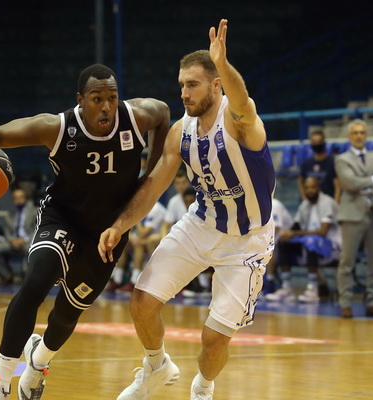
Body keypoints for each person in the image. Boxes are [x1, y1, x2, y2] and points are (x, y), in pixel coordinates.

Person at [0, 63, 170, 399]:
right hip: (64, 218)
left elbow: (164, 113)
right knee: (37, 280)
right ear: (80, 100)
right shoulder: (55, 127)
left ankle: (38, 365)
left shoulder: (138, 116)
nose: (107, 107)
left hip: (108, 231)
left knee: (68, 314)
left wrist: (149, 174)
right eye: (97, 99)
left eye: (112, 98)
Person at [98, 20, 275, 400]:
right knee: (142, 302)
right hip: (200, 224)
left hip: (246, 240)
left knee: (214, 339)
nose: (183, 92)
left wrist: (223, 64)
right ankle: (156, 365)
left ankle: (203, 387)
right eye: (181, 84)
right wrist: (120, 224)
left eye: (192, 84)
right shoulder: (181, 132)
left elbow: (242, 99)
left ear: (216, 85)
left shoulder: (240, 121)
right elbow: (153, 186)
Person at [335, 118, 373, 318]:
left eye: (362, 132)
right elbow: (349, 182)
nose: (359, 136)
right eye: (355, 133)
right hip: (352, 215)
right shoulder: (342, 159)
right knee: (347, 262)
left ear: (366, 135)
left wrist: (365, 184)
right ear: (349, 136)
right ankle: (345, 303)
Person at [265, 177, 341, 303]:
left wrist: (295, 233)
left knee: (312, 241)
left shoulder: (327, 202)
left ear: (318, 188)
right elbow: (296, 225)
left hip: (332, 246)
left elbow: (323, 232)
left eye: (313, 187)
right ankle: (287, 288)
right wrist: (288, 233)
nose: (310, 190)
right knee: (283, 242)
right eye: (307, 188)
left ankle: (313, 289)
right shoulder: (305, 205)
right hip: (309, 242)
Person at [108, 201, 167, 292]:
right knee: (124, 243)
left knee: (138, 246)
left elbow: (143, 233)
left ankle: (134, 281)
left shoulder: (156, 209)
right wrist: (132, 238)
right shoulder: (136, 205)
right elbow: (127, 229)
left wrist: (138, 218)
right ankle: (117, 279)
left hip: (152, 240)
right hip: (139, 239)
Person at [0, 188, 38, 285]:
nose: (18, 200)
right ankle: (7, 275)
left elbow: (37, 230)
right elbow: (7, 232)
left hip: (28, 242)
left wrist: (24, 240)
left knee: (31, 249)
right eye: (15, 198)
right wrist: (12, 240)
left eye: (20, 197)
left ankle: (27, 276)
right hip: (12, 243)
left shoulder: (35, 212)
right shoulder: (9, 214)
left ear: (26, 198)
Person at [298, 130, 341, 202]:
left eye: (319, 141)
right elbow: (301, 182)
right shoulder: (306, 163)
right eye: (314, 142)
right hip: (311, 202)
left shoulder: (332, 162)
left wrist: (336, 203)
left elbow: (338, 186)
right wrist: (305, 199)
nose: (317, 144)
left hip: (328, 202)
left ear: (324, 143)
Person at [263, 197, 294, 295]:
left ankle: (269, 282)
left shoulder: (274, 204)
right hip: (274, 236)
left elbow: (276, 228)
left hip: (288, 239)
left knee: (269, 247)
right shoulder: (256, 205)